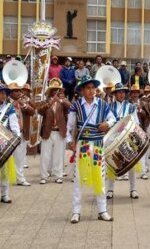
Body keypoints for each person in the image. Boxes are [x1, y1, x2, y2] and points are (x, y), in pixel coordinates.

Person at [65, 75, 115, 223]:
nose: (91, 90)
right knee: (79, 178)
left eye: (93, 87)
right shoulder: (76, 105)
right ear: (82, 90)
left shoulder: (102, 104)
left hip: (98, 145)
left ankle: (102, 211)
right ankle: (76, 212)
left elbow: (113, 118)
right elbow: (70, 127)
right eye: (88, 88)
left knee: (100, 176)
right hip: (83, 145)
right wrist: (70, 142)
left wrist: (108, 124)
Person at [105, 83, 141, 200]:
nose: (121, 94)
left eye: (123, 92)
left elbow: (136, 123)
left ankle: (133, 189)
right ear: (114, 94)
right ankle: (110, 189)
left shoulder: (131, 107)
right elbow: (106, 122)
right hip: (113, 138)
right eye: (118, 92)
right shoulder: (108, 106)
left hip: (127, 138)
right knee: (112, 163)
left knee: (131, 164)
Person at [37, 79, 70, 184]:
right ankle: (44, 176)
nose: (56, 91)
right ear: (50, 91)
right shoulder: (46, 101)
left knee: (59, 155)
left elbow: (71, 107)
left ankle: (58, 175)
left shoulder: (63, 102)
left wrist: (62, 100)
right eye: (54, 90)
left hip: (59, 131)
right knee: (45, 155)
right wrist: (50, 102)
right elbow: (39, 111)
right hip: (48, 131)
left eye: (57, 89)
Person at [8, 82, 34, 187]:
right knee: (12, 158)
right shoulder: (6, 103)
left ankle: (19, 178)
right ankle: (14, 178)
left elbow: (32, 111)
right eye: (15, 91)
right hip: (10, 134)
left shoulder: (23, 102)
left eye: (19, 91)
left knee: (21, 157)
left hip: (23, 133)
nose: (19, 93)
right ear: (10, 93)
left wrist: (23, 104)